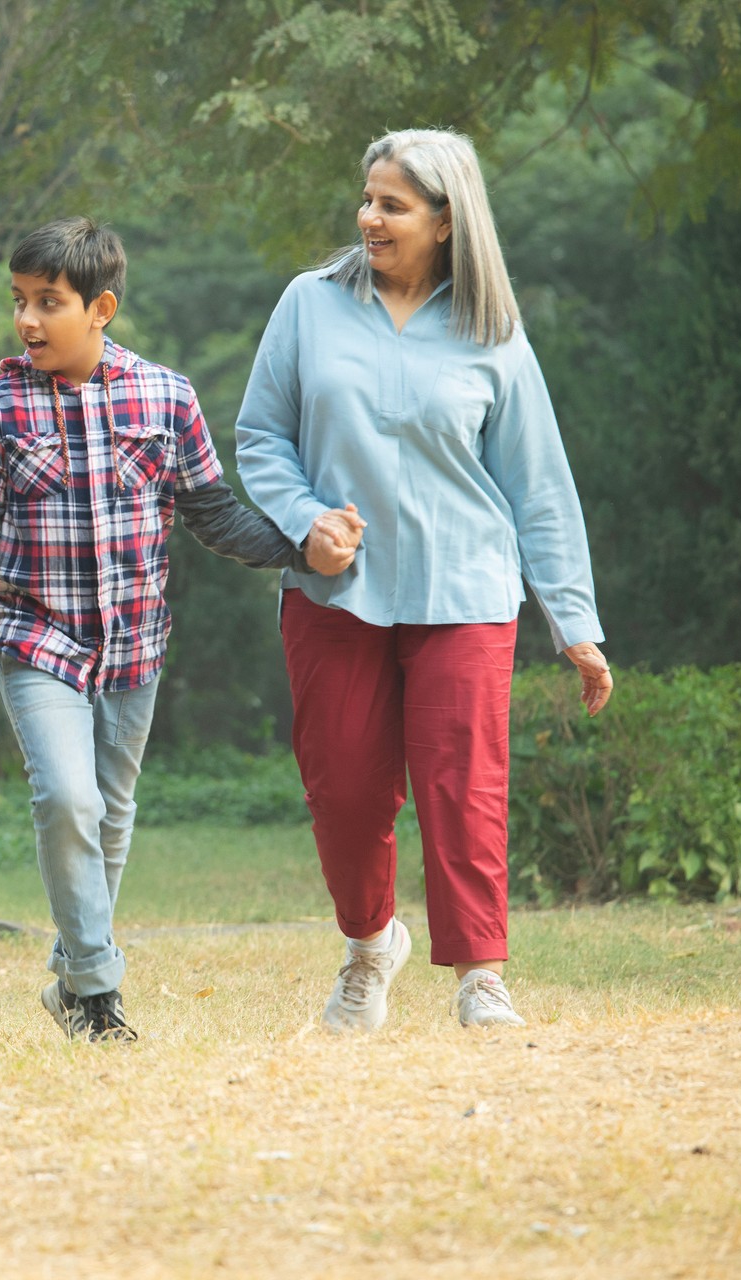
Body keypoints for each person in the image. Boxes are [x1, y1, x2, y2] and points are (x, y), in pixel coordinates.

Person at [0, 216, 360, 1043]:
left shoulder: (165, 397)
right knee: (67, 798)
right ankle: (97, 994)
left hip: (134, 643)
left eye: (47, 303)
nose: (26, 321)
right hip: (33, 636)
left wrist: (304, 549)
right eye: (19, 301)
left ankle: (71, 973)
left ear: (102, 308)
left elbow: (214, 514)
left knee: (111, 812)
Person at [234, 128, 615, 1034]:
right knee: (346, 790)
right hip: (335, 596)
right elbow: (260, 438)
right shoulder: (309, 304)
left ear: (446, 221)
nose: (369, 217)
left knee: (464, 785)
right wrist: (305, 522)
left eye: (392, 205)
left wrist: (574, 621)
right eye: (366, 199)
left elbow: (538, 485)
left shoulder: (493, 329)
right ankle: (370, 947)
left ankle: (481, 976)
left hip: (467, 589)